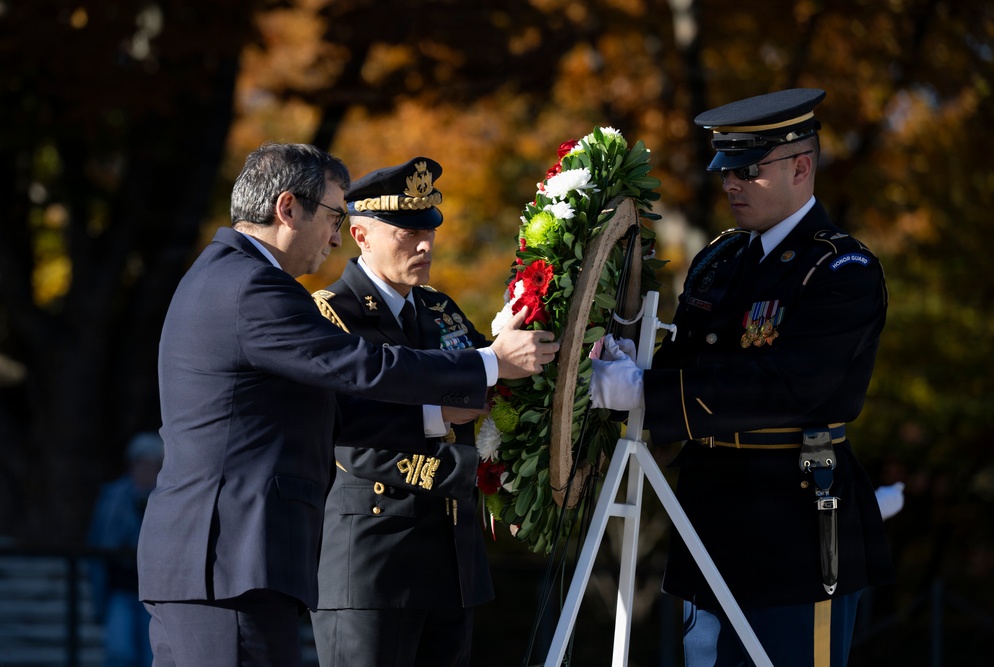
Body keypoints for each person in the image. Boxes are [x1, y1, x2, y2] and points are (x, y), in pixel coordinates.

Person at [136, 142, 559, 667]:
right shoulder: (253, 286)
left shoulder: (225, 275)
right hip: (231, 557)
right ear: (288, 208)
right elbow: (363, 368)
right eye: (336, 216)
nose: (337, 237)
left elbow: (337, 411)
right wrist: (487, 364)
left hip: (225, 557)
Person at [590, 89, 893, 666]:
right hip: (708, 513)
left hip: (794, 527)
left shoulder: (841, 269)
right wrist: (636, 364)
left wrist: (645, 393)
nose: (730, 183)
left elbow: (787, 387)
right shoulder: (720, 259)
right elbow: (693, 364)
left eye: (748, 170)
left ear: (801, 167)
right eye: (725, 169)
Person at [309, 157, 492, 667]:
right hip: (374, 562)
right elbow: (343, 429)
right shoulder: (330, 315)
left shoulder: (440, 309)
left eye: (429, 230)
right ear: (361, 234)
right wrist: (436, 413)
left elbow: (494, 378)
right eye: (407, 233)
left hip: (452, 559)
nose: (425, 245)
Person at [87, 432, 163, 667]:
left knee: (150, 655)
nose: (146, 469)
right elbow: (98, 543)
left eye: (153, 464)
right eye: (142, 463)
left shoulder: (166, 499)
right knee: (119, 652)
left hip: (154, 592)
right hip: (120, 587)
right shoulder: (113, 498)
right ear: (133, 464)